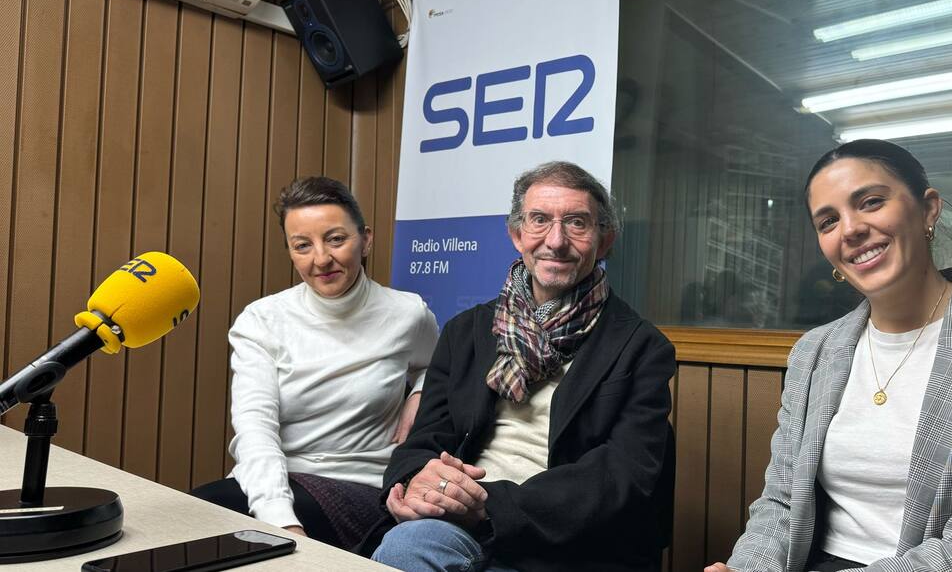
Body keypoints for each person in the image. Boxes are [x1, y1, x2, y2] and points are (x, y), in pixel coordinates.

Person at [707, 139, 952, 572]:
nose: (850, 229)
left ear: (928, 210)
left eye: (870, 202)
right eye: (828, 221)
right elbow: (782, 502)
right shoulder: (815, 351)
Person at [365, 161, 676, 572]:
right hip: (458, 521)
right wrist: (414, 483)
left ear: (604, 242)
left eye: (577, 223)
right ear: (516, 235)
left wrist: (486, 505)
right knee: (406, 548)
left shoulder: (641, 347)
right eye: (539, 221)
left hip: (567, 540)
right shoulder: (466, 331)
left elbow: (622, 476)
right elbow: (423, 441)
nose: (556, 240)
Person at [192, 176, 438, 551]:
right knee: (191, 516)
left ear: (366, 239)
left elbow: (436, 366)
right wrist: (281, 522)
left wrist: (421, 391)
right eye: (302, 245)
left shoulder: (408, 313)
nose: (321, 259)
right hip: (273, 481)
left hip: (360, 488)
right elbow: (255, 428)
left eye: (336, 239)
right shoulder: (262, 320)